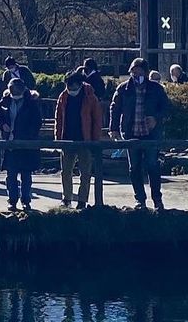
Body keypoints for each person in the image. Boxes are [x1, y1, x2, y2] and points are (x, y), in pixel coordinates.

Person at [110, 57, 171, 211]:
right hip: (131, 132)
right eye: (133, 72)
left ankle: (157, 199)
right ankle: (140, 200)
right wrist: (114, 128)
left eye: (139, 72)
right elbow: (115, 108)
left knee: (152, 165)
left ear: (146, 72)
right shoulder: (123, 88)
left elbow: (167, 108)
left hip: (151, 133)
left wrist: (156, 118)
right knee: (134, 167)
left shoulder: (156, 89)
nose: (136, 76)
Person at [54, 70, 103, 209]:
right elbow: (58, 119)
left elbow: (97, 120)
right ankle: (66, 198)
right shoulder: (63, 96)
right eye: (68, 87)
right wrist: (58, 138)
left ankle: (82, 200)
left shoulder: (90, 97)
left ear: (80, 85)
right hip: (67, 139)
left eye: (73, 87)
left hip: (85, 139)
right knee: (65, 172)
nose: (71, 90)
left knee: (85, 173)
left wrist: (94, 140)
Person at [0, 77, 42, 213]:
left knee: (26, 174)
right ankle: (12, 200)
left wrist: (28, 136)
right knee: (11, 175)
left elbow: (37, 122)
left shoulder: (31, 102)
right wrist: (2, 124)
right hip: (10, 143)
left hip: (25, 143)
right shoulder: (6, 100)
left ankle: (26, 200)